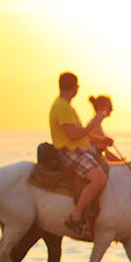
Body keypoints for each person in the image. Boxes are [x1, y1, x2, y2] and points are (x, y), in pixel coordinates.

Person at [49, 72, 113, 240]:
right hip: (69, 151)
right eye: (77, 86)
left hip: (79, 149)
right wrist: (94, 122)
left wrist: (101, 140)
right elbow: (73, 135)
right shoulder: (61, 107)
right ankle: (76, 216)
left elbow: (82, 135)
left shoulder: (67, 107)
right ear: (74, 88)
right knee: (99, 179)